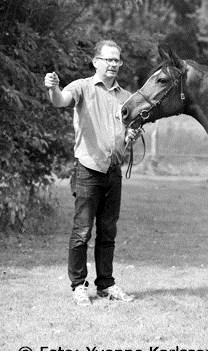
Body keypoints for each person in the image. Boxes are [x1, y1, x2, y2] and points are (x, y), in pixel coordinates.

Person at [44, 40, 137, 306]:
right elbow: (60, 101)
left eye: (116, 60)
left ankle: (106, 285)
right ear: (95, 62)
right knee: (82, 231)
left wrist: (130, 135)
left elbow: (126, 131)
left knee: (108, 232)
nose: (112, 64)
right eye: (108, 59)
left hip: (113, 171)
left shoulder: (125, 97)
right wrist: (52, 88)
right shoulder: (82, 87)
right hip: (87, 169)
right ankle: (78, 285)